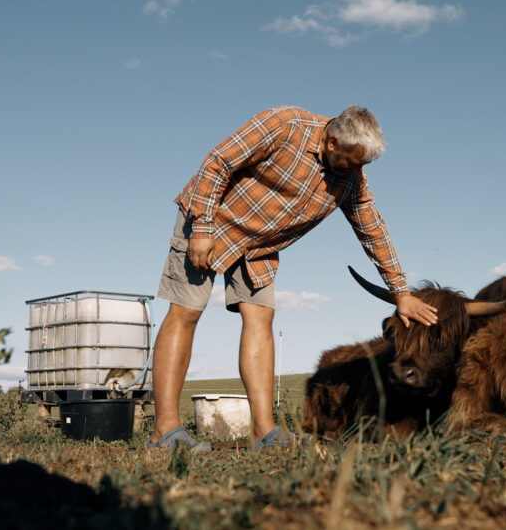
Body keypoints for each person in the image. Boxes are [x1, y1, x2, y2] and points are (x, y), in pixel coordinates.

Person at [148, 105, 437, 451]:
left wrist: (401, 291)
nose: (358, 172)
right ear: (332, 143)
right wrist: (202, 228)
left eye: (364, 166)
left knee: (261, 316)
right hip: (212, 219)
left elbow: (373, 230)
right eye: (353, 162)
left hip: (260, 244)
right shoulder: (285, 125)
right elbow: (218, 162)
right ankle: (165, 431)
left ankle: (265, 432)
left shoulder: (351, 180)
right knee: (187, 311)